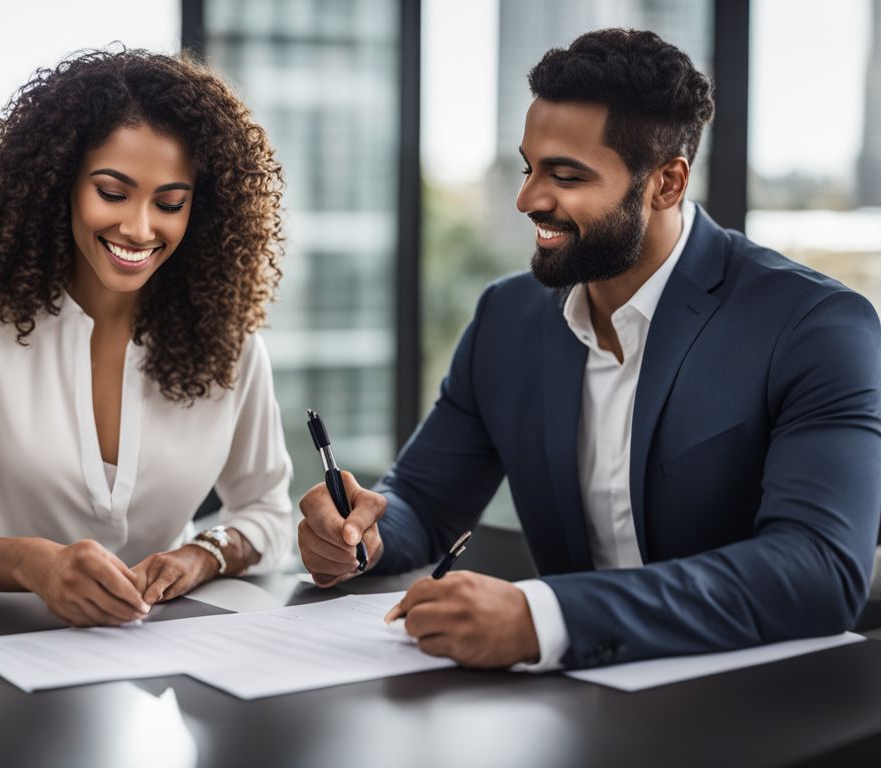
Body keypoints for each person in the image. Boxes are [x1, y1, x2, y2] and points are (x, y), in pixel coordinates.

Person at [298, 28, 881, 670]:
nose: (528, 199)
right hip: (577, 710)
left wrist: (545, 616)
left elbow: (819, 570)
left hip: (762, 710)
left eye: (565, 175)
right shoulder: (507, 317)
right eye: (528, 167)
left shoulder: (815, 325)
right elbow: (427, 503)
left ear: (666, 183)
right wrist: (364, 532)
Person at [0, 49, 292, 628]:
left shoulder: (230, 343)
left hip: (170, 661)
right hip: (11, 648)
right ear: (58, 184)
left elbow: (267, 513)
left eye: (169, 203)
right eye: (113, 193)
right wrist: (33, 564)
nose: (139, 229)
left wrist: (204, 555)